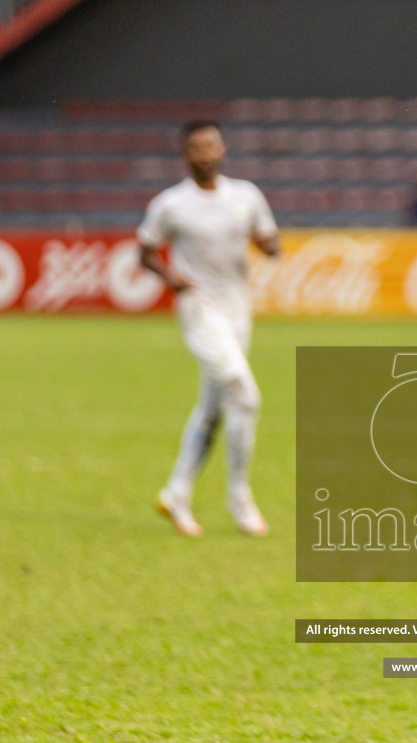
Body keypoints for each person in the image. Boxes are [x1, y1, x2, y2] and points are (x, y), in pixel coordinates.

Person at [139, 119, 280, 537]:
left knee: (213, 410)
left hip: (238, 309)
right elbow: (145, 251)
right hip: (199, 309)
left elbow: (269, 238)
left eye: (212, 145)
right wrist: (169, 276)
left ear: (222, 149)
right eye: (197, 147)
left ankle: (177, 493)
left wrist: (269, 246)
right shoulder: (171, 204)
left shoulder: (246, 195)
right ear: (185, 154)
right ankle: (240, 497)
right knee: (245, 394)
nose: (205, 154)